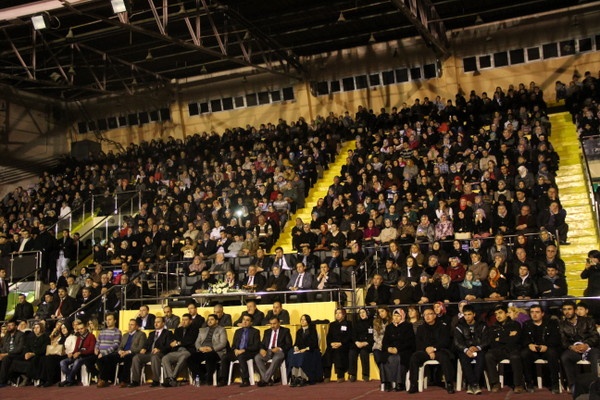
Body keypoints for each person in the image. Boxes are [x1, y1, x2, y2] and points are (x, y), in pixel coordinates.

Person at [408, 307, 455, 394]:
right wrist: (427, 349)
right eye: (425, 315)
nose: (427, 316)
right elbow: (418, 343)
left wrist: (433, 349)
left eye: (429, 314)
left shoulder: (443, 327)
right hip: (425, 351)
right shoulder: (420, 328)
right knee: (414, 357)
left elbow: (445, 342)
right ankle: (413, 384)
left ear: (434, 315)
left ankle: (449, 383)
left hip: (439, 350)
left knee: (444, 358)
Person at [558, 300, 600, 393]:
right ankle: (573, 386)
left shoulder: (588, 321)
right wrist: (571, 347)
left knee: (596, 355)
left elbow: (595, 336)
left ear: (575, 310)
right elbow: (563, 341)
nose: (567, 312)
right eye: (564, 309)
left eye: (569, 309)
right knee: (565, 357)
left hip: (589, 348)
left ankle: (596, 385)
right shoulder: (562, 324)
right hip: (574, 350)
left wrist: (586, 345)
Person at [520, 304, 562, 394]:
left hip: (547, 348)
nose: (534, 314)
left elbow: (556, 338)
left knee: (552, 353)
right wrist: (529, 344)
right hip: (533, 349)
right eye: (532, 312)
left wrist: (546, 345)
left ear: (542, 313)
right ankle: (529, 383)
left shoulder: (551, 323)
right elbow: (523, 338)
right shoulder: (526, 324)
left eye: (537, 312)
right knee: (524, 354)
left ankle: (554, 384)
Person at [485, 304, 525, 393]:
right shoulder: (493, 327)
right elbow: (492, 342)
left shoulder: (515, 324)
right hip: (499, 350)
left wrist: (500, 338)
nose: (498, 316)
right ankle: (495, 383)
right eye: (496, 314)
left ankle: (518, 384)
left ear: (506, 313)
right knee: (488, 356)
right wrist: (508, 336)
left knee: (515, 357)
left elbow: (515, 340)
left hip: (512, 349)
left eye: (500, 313)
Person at [97, 319, 146, 388]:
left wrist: (128, 352)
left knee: (127, 358)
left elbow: (140, 347)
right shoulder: (125, 335)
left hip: (132, 353)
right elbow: (120, 346)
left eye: (132, 325)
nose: (129, 326)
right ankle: (104, 379)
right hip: (122, 353)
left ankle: (124, 381)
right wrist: (120, 351)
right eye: (129, 324)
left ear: (136, 326)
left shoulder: (141, 334)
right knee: (106, 358)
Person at [128, 316, 174, 387]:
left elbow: (169, 346)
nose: (156, 324)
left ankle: (156, 380)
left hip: (161, 353)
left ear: (163, 323)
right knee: (136, 357)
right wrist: (144, 348)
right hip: (149, 353)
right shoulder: (151, 334)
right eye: (155, 322)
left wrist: (159, 349)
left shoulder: (168, 333)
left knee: (154, 357)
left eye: (158, 322)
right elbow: (146, 344)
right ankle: (135, 381)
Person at [454, 304, 488, 395]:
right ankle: (475, 384)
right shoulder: (459, 326)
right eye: (465, 315)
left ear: (474, 314)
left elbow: (486, 340)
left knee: (481, 357)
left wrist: (477, 347)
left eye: (469, 314)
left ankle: (471, 384)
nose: (467, 317)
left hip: (479, 349)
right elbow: (457, 342)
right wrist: (466, 350)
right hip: (465, 350)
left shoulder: (482, 325)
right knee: (464, 359)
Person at [218, 314, 260, 387]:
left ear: (251, 323)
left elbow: (256, 346)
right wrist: (235, 350)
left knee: (241, 357)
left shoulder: (255, 331)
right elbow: (233, 345)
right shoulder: (238, 331)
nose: (245, 322)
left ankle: (245, 380)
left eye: (247, 320)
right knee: (225, 357)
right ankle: (223, 379)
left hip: (248, 352)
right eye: (243, 320)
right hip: (237, 352)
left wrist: (244, 350)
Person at [381, 308, 415, 392]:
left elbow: (410, 342)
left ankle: (400, 383)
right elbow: (385, 341)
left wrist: (397, 349)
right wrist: (388, 348)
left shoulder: (408, 326)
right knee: (383, 358)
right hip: (390, 349)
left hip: (404, 350)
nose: (396, 318)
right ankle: (387, 382)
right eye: (394, 315)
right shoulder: (389, 327)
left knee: (398, 358)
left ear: (402, 316)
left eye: (398, 316)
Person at [189, 314, 228, 385]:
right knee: (190, 358)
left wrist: (212, 349)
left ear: (217, 321)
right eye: (208, 320)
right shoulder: (202, 330)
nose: (209, 321)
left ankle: (209, 379)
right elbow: (197, 342)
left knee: (209, 356)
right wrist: (200, 348)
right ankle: (202, 377)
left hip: (215, 351)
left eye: (212, 319)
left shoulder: (221, 330)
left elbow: (223, 343)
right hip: (203, 350)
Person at [161, 313, 198, 387]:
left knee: (183, 357)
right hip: (177, 350)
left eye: (186, 320)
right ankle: (171, 379)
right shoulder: (178, 330)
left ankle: (172, 378)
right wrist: (177, 343)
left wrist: (179, 343)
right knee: (165, 358)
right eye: (182, 320)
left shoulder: (195, 329)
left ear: (190, 321)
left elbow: (190, 341)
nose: (183, 322)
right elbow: (175, 340)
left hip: (188, 350)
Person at [254, 316, 293, 386]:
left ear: (279, 323)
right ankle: (268, 380)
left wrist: (279, 348)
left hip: (279, 351)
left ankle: (264, 379)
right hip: (268, 351)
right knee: (257, 357)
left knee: (276, 358)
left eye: (274, 324)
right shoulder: (267, 332)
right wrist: (262, 349)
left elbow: (289, 344)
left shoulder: (285, 331)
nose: (272, 326)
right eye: (271, 324)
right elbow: (262, 344)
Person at [288, 314, 323, 387]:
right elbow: (296, 343)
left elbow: (314, 343)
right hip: (301, 350)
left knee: (303, 356)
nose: (302, 321)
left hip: (311, 350)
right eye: (301, 319)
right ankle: (294, 377)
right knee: (293, 354)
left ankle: (302, 377)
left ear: (308, 321)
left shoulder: (312, 330)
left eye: (304, 320)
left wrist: (305, 349)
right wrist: (296, 347)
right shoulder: (299, 331)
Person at [59, 321, 97, 387]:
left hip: (87, 356)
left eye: (81, 328)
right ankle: (71, 379)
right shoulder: (79, 338)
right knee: (62, 362)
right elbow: (76, 349)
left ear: (85, 328)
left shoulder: (91, 336)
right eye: (78, 329)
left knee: (77, 361)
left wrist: (80, 353)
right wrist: (72, 353)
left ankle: (69, 380)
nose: (80, 330)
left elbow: (91, 350)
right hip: (78, 356)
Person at [323, 308, 353, 383]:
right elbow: (329, 337)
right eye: (336, 313)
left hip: (344, 345)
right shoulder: (332, 324)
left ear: (343, 315)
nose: (337, 315)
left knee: (338, 353)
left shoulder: (348, 324)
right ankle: (327, 376)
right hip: (333, 345)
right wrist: (331, 343)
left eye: (339, 313)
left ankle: (340, 376)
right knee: (327, 354)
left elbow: (349, 336)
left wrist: (341, 343)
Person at [94, 313, 122, 387]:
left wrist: (103, 353)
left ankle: (103, 379)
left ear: (115, 321)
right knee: (88, 360)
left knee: (104, 359)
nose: (107, 321)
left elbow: (116, 345)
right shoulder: (102, 331)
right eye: (106, 320)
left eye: (110, 319)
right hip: (100, 353)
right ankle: (103, 377)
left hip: (111, 353)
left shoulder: (117, 331)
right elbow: (98, 342)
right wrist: (96, 348)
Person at [348, 308, 373, 382]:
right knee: (352, 352)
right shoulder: (356, 323)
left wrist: (366, 342)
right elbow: (353, 335)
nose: (362, 314)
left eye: (363, 312)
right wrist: (356, 342)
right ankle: (353, 374)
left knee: (364, 352)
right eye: (360, 313)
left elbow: (373, 336)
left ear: (367, 313)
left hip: (368, 343)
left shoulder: (371, 322)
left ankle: (365, 375)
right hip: (358, 343)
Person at [0, 320, 25, 387]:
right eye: (8, 325)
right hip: (7, 354)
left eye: (11, 325)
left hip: (18, 355)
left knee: (6, 358)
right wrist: (2, 353)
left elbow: (19, 349)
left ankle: (2, 381)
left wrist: (6, 354)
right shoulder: (7, 335)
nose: (9, 327)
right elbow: (3, 347)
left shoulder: (21, 335)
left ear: (16, 326)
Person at [580, 250, 600, 321]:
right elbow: (583, 276)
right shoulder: (590, 268)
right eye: (590, 257)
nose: (591, 259)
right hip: (591, 291)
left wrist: (597, 265)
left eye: (593, 257)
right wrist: (586, 268)